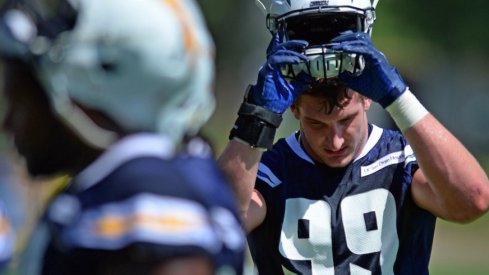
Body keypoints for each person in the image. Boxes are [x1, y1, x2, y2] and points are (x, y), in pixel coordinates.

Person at [218, 0, 489, 274]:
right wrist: (255, 120)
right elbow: (215, 226)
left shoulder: (399, 160)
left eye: (346, 120)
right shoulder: (271, 171)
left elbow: (473, 201)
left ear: (368, 98)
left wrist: (399, 98)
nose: (335, 141)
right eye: (317, 124)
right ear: (294, 108)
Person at [0, 0, 245, 274]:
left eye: (18, 100)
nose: (7, 122)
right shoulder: (156, 177)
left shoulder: (144, 194)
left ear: (88, 81)